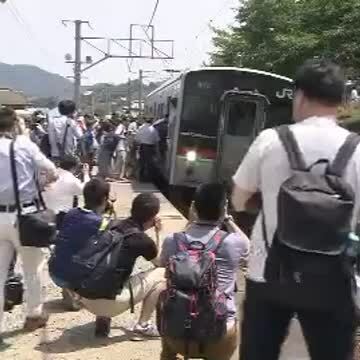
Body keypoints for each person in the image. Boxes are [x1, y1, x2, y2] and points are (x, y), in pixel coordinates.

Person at [232, 59, 360, 360]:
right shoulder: (356, 150)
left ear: (299, 96)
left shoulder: (270, 140)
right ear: (342, 102)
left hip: (269, 274)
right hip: (334, 278)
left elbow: (238, 200)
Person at [50, 180, 165, 338]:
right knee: (161, 275)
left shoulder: (111, 225)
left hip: (84, 293)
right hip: (108, 303)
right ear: (152, 217)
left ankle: (103, 321)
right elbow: (159, 263)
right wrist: (158, 233)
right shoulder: (142, 240)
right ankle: (143, 324)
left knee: (111, 264)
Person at [159, 183, 250, 360]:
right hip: (219, 334)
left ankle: (169, 355)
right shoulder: (233, 243)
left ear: (193, 207)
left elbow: (162, 264)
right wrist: (228, 220)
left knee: (164, 299)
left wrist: (191, 222)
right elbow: (249, 248)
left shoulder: (172, 241)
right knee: (232, 323)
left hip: (176, 333)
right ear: (223, 209)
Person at [0, 107, 58, 344]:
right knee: (32, 268)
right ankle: (34, 314)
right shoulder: (25, 145)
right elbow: (51, 172)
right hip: (25, 216)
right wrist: (40, 183)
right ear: (15, 124)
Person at [43, 154, 90, 229]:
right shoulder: (71, 179)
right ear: (74, 167)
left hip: (44, 213)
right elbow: (86, 190)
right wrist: (86, 174)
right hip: (60, 217)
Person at [135, 117, 160, 182]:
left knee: (142, 163)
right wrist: (157, 152)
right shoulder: (153, 130)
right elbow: (157, 141)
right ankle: (148, 178)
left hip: (142, 146)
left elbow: (136, 139)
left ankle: (141, 178)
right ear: (151, 121)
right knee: (149, 163)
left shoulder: (140, 128)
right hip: (150, 147)